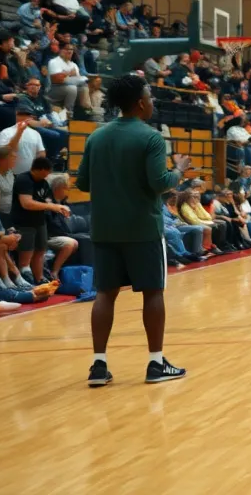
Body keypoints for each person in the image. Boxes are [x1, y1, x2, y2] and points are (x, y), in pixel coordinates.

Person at [75, 74, 191, 387]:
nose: (152, 102)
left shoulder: (96, 137)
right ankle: (156, 363)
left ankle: (98, 366)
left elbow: (82, 183)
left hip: (104, 229)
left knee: (105, 294)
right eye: (150, 97)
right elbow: (160, 183)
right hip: (142, 229)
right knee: (153, 292)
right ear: (140, 103)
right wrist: (178, 169)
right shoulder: (150, 137)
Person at [12, 156, 68, 286]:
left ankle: (40, 279)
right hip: (24, 222)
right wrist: (51, 206)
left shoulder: (43, 182)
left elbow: (48, 201)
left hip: (40, 221)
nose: (48, 174)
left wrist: (59, 208)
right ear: (40, 169)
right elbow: (27, 203)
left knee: (40, 251)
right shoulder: (24, 179)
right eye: (47, 171)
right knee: (26, 256)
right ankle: (25, 282)